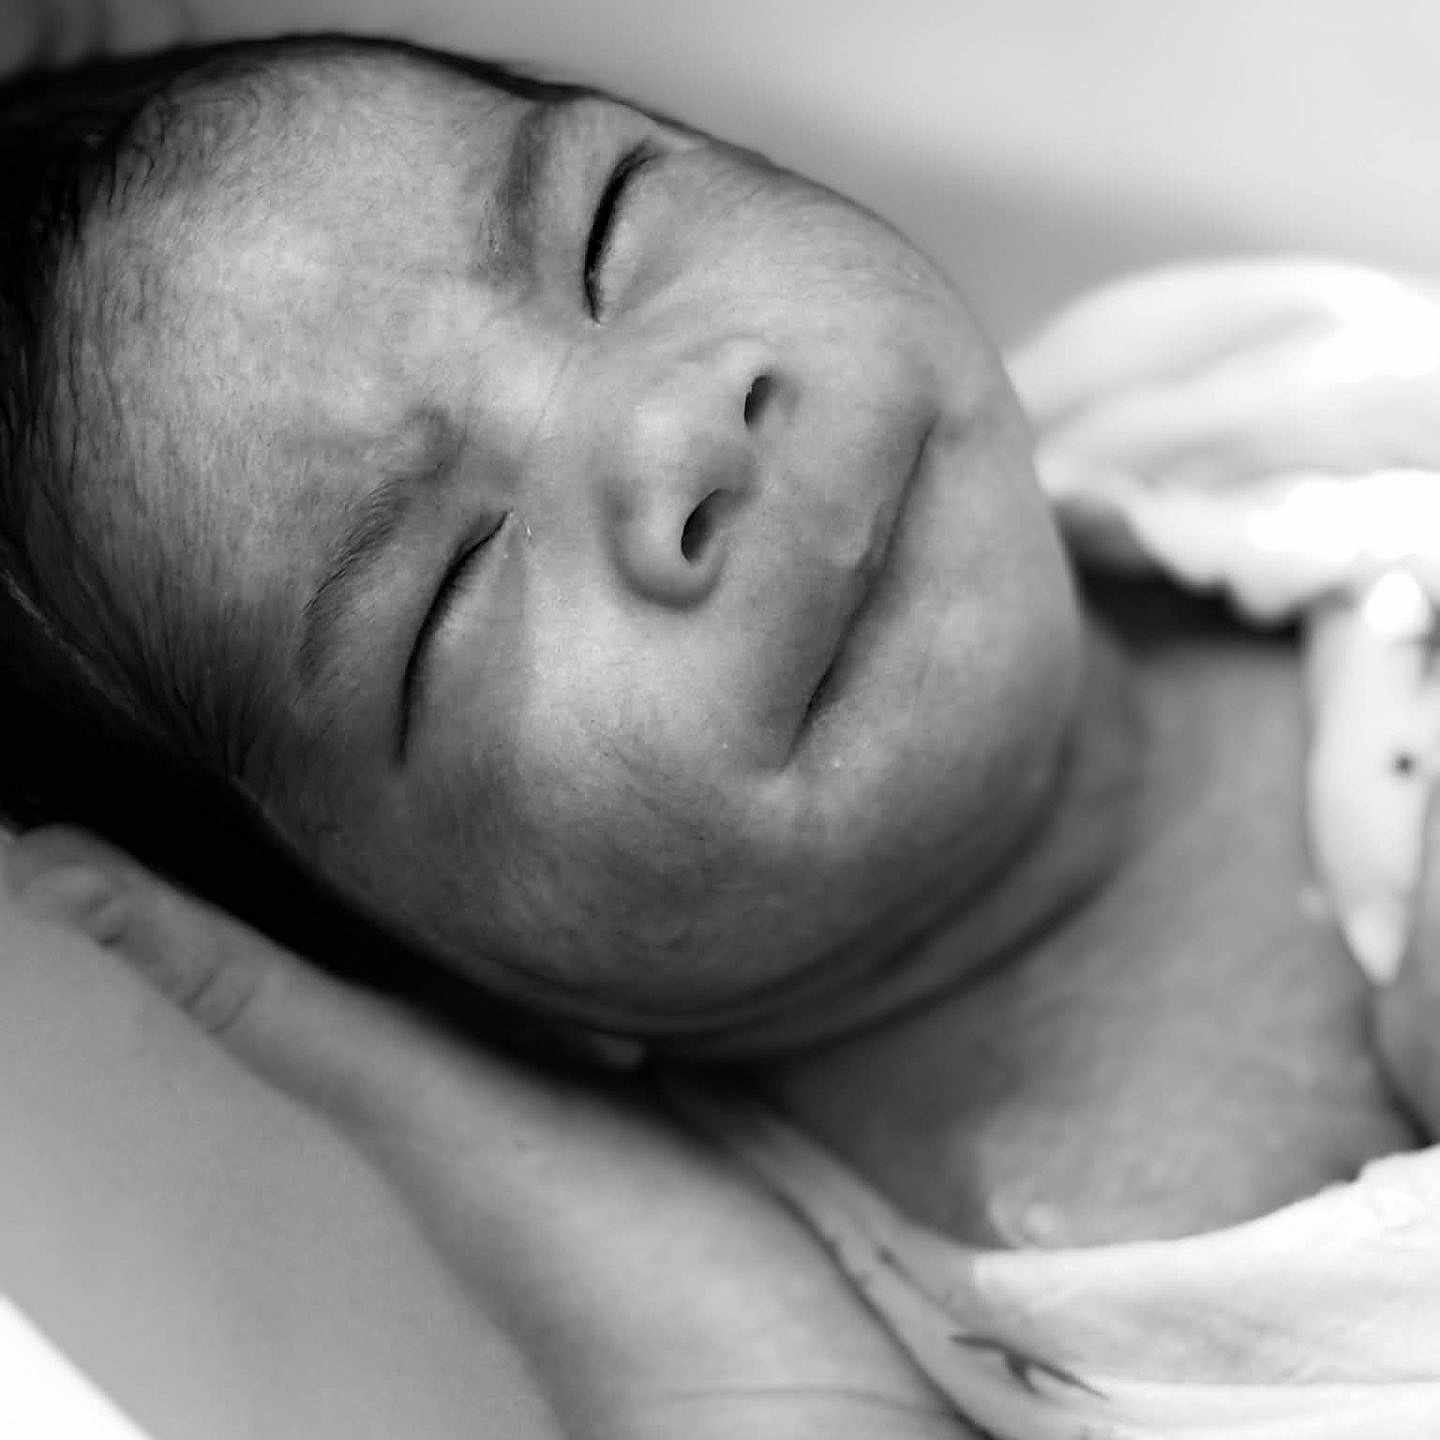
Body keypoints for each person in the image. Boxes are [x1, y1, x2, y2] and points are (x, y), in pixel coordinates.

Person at [2, 22, 1437, 1440]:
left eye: (606, 232)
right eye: (448, 587)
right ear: (467, 990)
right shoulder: (993, 1362)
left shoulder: (1236, 398)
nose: (682, 427)